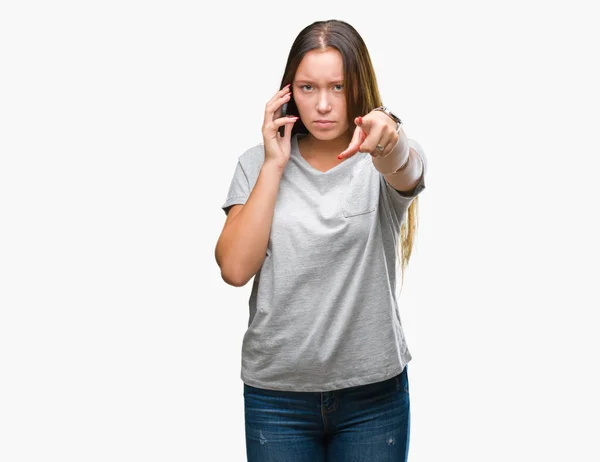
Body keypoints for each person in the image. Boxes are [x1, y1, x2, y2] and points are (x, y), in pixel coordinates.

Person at [215, 18, 427, 462]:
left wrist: (390, 138)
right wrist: (275, 164)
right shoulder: (255, 165)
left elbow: (407, 170)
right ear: (289, 92)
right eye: (309, 88)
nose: (324, 104)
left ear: (358, 88)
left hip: (373, 397)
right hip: (278, 397)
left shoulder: (380, 159)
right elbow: (234, 269)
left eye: (338, 86)